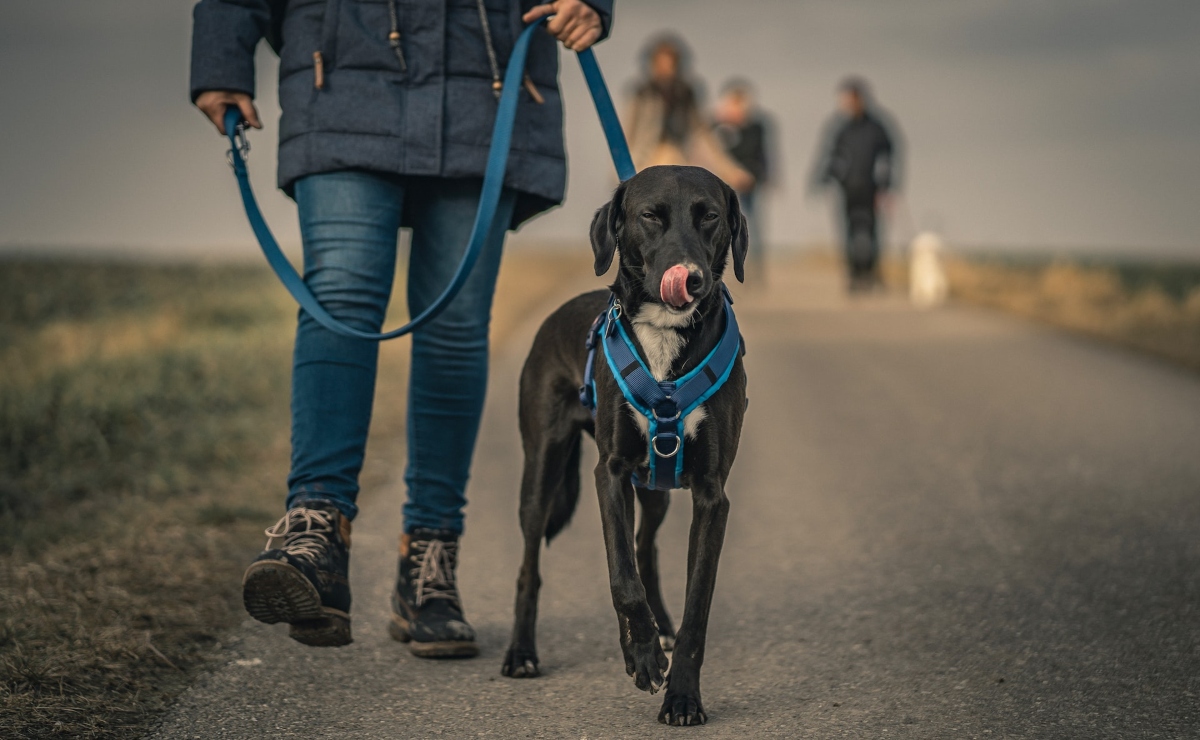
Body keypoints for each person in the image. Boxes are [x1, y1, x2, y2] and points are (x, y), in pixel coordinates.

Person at [190, 0, 612, 658]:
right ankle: (316, 534)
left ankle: (430, 563)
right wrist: (221, 52)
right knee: (341, 293)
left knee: (457, 323)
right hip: (341, 73)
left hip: (485, 80)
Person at [623, 34, 753, 192]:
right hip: (644, 163)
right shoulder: (642, 95)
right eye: (661, 64)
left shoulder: (685, 94)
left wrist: (731, 171)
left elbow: (703, 135)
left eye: (670, 64)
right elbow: (627, 134)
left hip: (678, 159)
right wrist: (622, 175)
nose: (666, 70)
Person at [811, 77, 901, 291]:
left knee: (871, 232)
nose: (845, 104)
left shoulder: (877, 127)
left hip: (871, 189)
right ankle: (854, 275)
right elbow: (831, 154)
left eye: (848, 99)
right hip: (847, 188)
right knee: (849, 232)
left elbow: (888, 156)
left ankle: (871, 273)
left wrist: (887, 186)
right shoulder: (840, 126)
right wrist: (824, 177)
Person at [712, 79, 774, 277]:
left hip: (749, 184)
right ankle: (718, 267)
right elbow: (710, 153)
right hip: (721, 183)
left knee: (751, 224)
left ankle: (753, 269)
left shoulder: (756, 126)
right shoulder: (715, 125)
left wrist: (765, 177)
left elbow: (763, 154)